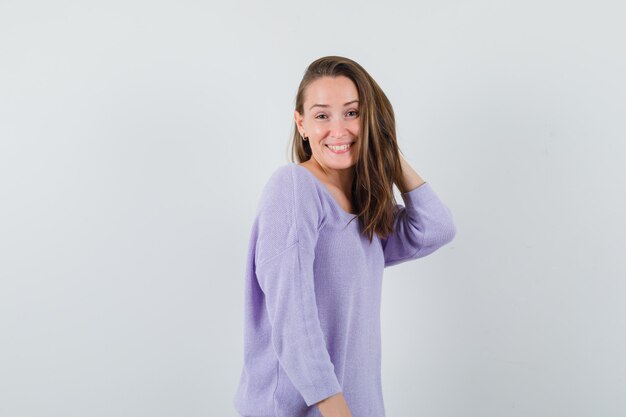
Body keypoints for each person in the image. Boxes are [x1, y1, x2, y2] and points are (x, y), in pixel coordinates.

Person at [233, 56, 457, 417]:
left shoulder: (366, 208)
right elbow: (293, 314)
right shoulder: (294, 187)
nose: (338, 129)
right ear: (301, 124)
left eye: (352, 113)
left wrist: (385, 148)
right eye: (322, 116)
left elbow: (435, 228)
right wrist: (337, 410)